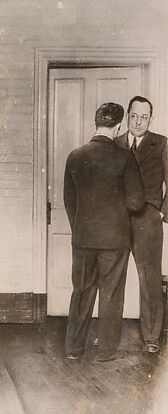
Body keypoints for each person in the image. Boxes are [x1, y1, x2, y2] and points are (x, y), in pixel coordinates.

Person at [64, 102, 146, 362]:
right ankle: (106, 351)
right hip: (114, 239)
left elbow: (69, 200)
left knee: (82, 291)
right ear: (118, 126)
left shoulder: (75, 156)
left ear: (96, 123)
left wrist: (80, 227)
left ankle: (73, 349)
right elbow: (136, 202)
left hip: (84, 237)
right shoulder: (125, 157)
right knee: (111, 294)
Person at [115, 96, 168, 354]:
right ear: (127, 116)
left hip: (149, 220)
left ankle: (151, 336)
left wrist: (161, 212)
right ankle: (108, 334)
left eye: (144, 117)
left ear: (150, 118)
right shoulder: (115, 144)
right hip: (118, 221)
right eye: (134, 116)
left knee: (150, 280)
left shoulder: (161, 144)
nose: (138, 122)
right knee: (113, 277)